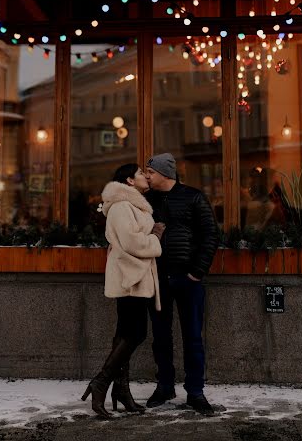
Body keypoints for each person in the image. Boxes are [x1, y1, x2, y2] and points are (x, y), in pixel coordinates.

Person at [81, 163, 165, 417]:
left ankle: (121, 389)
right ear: (129, 181)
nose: (145, 177)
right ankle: (101, 382)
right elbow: (131, 242)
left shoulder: (133, 205)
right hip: (130, 278)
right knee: (136, 333)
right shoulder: (120, 206)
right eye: (141, 173)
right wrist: (155, 237)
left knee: (125, 333)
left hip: (136, 276)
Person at [145, 153, 220, 416]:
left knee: (193, 337)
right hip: (157, 278)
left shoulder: (193, 196)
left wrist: (197, 272)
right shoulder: (146, 200)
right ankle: (165, 386)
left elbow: (210, 234)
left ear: (164, 174)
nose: (147, 176)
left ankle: (195, 392)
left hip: (187, 279)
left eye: (150, 172)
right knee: (161, 337)